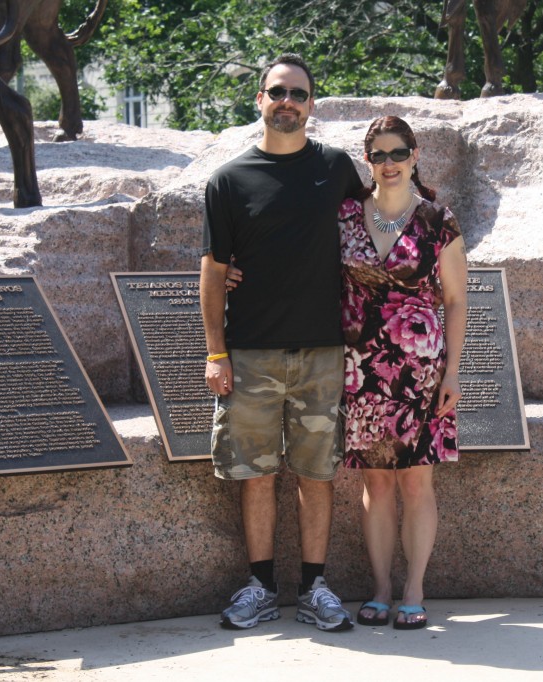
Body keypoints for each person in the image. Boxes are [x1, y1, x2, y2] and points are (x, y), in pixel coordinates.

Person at [200, 53, 363, 632]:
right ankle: (261, 587)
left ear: (312, 104)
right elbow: (213, 271)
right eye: (277, 92)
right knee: (256, 475)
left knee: (318, 474)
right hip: (251, 353)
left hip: (322, 352)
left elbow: (372, 231)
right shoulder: (228, 180)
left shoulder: (336, 168)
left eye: (297, 93)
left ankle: (315, 587)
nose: (287, 102)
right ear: (260, 100)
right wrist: (216, 352)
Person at [339, 116, 468, 630]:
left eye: (398, 153)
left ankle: (414, 588)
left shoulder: (439, 221)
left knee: (416, 483)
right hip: (361, 370)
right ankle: (380, 588)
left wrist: (452, 372)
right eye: (379, 155)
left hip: (421, 371)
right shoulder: (345, 217)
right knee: (375, 484)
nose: (388, 164)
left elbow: (455, 301)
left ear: (415, 156)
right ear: (367, 161)